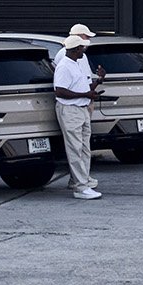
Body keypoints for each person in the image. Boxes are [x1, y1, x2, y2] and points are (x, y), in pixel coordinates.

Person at [52, 27, 104, 199]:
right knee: (75, 148)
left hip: (82, 108)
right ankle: (80, 188)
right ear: (75, 49)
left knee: (84, 148)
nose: (84, 49)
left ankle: (82, 181)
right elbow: (60, 91)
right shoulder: (64, 66)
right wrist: (85, 95)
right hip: (70, 110)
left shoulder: (77, 63)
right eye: (82, 47)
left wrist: (98, 82)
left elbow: (85, 87)